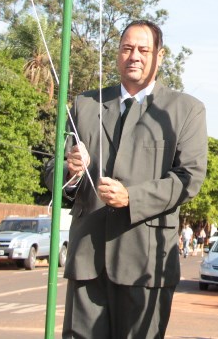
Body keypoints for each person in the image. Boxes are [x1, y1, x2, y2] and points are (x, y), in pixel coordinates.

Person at [43, 19, 208, 339]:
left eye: (144, 50)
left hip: (146, 262)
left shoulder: (185, 110)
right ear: (117, 53)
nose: (134, 56)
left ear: (159, 56)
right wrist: (70, 171)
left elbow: (190, 177)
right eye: (127, 48)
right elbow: (52, 171)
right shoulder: (85, 104)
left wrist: (132, 197)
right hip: (88, 259)